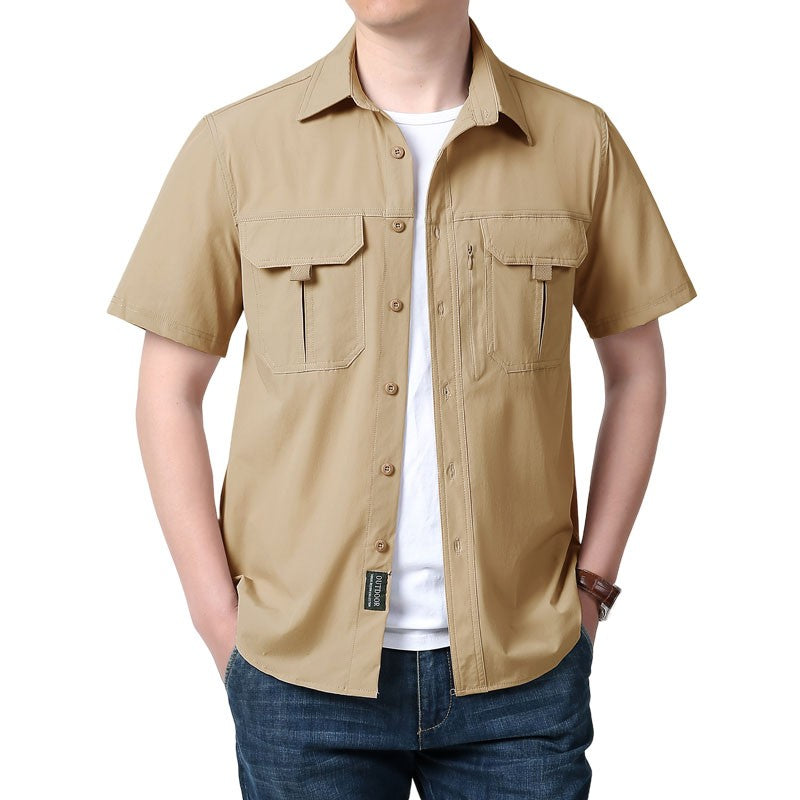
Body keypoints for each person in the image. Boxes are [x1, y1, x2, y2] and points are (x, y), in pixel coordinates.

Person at [106, 2, 696, 798]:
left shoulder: (579, 142)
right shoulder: (237, 145)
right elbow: (167, 391)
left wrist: (592, 588)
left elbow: (636, 371)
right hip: (301, 678)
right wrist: (218, 620)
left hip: (522, 676)